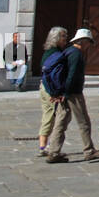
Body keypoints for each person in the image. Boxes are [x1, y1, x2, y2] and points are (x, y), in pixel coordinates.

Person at [44, 28, 99, 163]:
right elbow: (72, 75)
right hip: (73, 93)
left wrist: (61, 92)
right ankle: (89, 151)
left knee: (61, 121)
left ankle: (53, 152)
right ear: (83, 41)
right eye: (89, 42)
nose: (89, 45)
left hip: (65, 92)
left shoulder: (68, 51)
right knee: (83, 121)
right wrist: (66, 93)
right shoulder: (76, 54)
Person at [37, 27, 68, 156]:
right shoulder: (56, 54)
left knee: (47, 115)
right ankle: (49, 147)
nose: (66, 39)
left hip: (43, 86)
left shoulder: (48, 52)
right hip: (51, 89)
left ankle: (42, 146)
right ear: (56, 39)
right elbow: (55, 75)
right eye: (63, 37)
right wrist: (56, 93)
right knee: (55, 117)